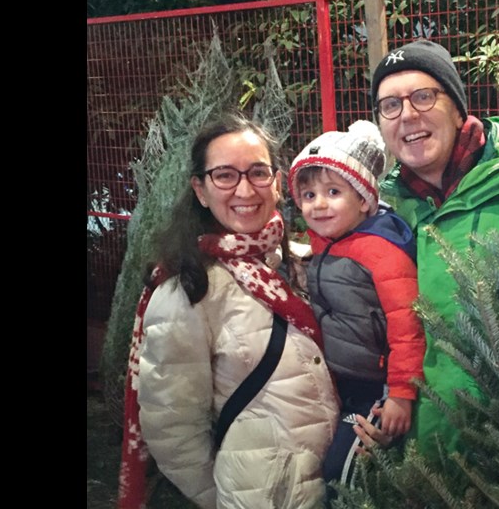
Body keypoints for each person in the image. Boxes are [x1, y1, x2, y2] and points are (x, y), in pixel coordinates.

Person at [117, 114, 340, 509]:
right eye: (224, 175)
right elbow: (172, 428)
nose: (244, 189)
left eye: (257, 172)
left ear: (275, 181)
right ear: (200, 190)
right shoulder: (187, 291)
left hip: (336, 484)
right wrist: (228, 495)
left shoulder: (298, 264)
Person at [369, 39, 499, 458]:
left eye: (423, 96)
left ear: (457, 108)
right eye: (390, 106)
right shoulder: (382, 211)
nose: (408, 115)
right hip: (427, 460)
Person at [286, 120, 425, 488]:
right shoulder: (329, 239)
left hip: (375, 388)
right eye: (308, 195)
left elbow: (408, 325)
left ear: (364, 199)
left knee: (341, 474)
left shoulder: (382, 251)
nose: (318, 205)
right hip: (339, 381)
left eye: (333, 192)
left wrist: (401, 394)